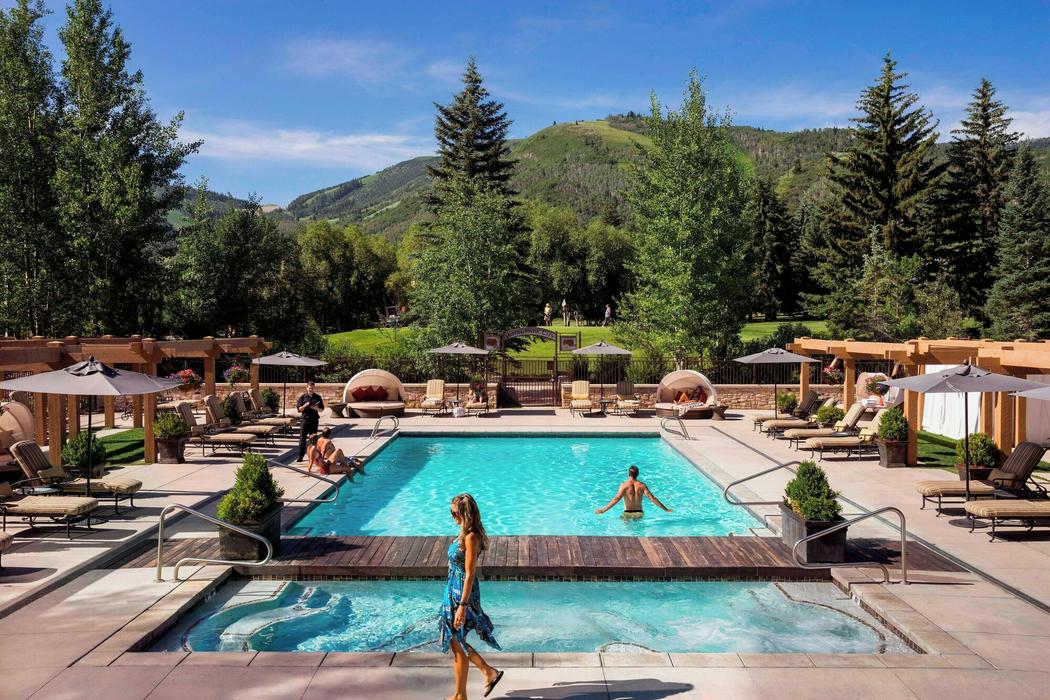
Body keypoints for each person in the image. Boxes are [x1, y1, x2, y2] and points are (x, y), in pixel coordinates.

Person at [441, 494, 503, 700]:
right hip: (454, 590)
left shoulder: (471, 537)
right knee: (456, 640)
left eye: (454, 513)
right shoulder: (464, 534)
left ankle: (462, 694)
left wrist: (462, 605)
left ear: (464, 514)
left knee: (456, 641)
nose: (452, 516)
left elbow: (470, 574)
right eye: (451, 512)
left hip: (463, 594)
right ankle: (487, 673)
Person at [594, 465, 672, 518]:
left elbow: (616, 499)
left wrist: (603, 510)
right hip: (639, 513)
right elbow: (653, 499)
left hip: (627, 513)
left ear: (628, 474)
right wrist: (666, 509)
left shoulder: (624, 485)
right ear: (638, 474)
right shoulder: (642, 485)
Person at [296, 380, 324, 461]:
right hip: (305, 419)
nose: (311, 390)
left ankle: (312, 455)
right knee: (302, 438)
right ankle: (300, 456)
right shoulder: (302, 397)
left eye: (312, 388)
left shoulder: (317, 397)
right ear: (307, 388)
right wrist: (305, 405)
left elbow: (322, 409)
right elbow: (299, 409)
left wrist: (315, 408)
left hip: (314, 419)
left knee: (313, 439)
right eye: (310, 388)